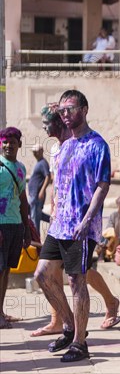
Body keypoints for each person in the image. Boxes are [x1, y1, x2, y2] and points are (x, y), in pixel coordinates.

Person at [32, 104, 120, 340]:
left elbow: (101, 185)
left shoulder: (90, 144)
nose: (44, 128)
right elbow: (58, 183)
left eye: (47, 122)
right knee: (48, 272)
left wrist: (86, 220)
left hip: (81, 224)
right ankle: (62, 322)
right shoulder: (57, 150)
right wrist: (54, 210)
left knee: (79, 274)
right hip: (60, 222)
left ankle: (91, 322)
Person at [0, 127, 31, 329]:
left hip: (15, 225)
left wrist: (27, 228)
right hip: (1, 227)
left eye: (12, 142)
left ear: (19, 144)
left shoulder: (20, 168)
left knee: (6, 271)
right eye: (5, 142)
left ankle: (0, 311)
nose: (9, 145)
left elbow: (22, 199)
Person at [28, 144, 51, 233]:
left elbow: (48, 177)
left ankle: (36, 240)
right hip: (33, 194)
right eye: (33, 152)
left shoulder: (43, 163)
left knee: (35, 218)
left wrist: (42, 191)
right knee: (36, 215)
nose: (34, 154)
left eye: (36, 152)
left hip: (37, 195)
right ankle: (54, 221)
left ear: (41, 152)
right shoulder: (39, 162)